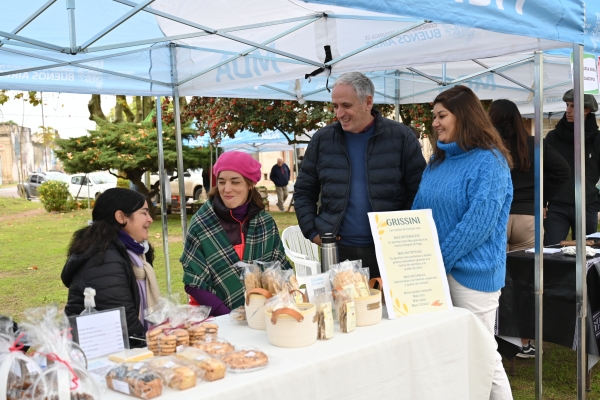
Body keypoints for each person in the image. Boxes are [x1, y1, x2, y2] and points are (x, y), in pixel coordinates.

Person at [412, 85, 513, 399]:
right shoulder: (437, 163)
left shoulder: (490, 162)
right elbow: (418, 212)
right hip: (435, 274)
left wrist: (436, 262)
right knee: (446, 354)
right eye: (434, 117)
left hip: (473, 277)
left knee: (483, 357)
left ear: (465, 117)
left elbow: (477, 226)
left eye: (442, 116)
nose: (435, 123)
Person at [294, 72, 426, 280]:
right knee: (341, 310)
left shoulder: (401, 137)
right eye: (335, 106)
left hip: (390, 250)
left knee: (386, 310)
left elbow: (418, 191)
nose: (339, 113)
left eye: (346, 105)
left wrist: (402, 233)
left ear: (368, 102)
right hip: (337, 250)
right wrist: (312, 231)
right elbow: (303, 190)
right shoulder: (322, 140)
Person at [489, 99, 570, 359]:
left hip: (497, 217)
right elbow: (562, 171)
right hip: (529, 218)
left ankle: (497, 339)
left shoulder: (487, 146)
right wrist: (541, 198)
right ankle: (526, 342)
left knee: (494, 281)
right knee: (528, 282)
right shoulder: (535, 143)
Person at [181, 151, 291, 316]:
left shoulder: (265, 223)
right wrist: (228, 316)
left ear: (250, 184)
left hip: (262, 315)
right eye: (221, 181)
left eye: (235, 182)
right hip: (213, 318)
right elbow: (194, 283)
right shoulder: (202, 223)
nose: (227, 189)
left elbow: (280, 270)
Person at [61, 188, 160, 346]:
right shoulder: (103, 258)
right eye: (144, 213)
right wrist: (156, 347)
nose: (150, 219)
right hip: (101, 352)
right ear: (121, 217)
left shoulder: (133, 252)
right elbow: (124, 324)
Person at [544, 89, 600, 245]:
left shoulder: (597, 139)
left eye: (573, 106)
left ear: (587, 110)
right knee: (551, 249)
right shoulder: (552, 137)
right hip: (557, 206)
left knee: (588, 252)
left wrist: (597, 203)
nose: (568, 110)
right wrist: (543, 203)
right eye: (567, 105)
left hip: (587, 206)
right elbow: (543, 171)